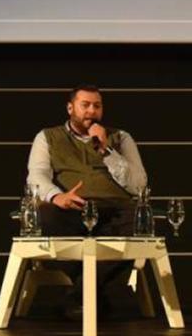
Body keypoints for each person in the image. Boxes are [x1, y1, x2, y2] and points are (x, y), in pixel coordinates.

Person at [25, 84, 149, 315]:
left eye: (97, 106)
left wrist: (106, 151)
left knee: (141, 222)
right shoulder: (47, 137)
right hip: (71, 209)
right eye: (85, 105)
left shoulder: (120, 137)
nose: (91, 111)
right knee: (45, 215)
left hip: (115, 210)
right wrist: (57, 196)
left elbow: (139, 184)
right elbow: (37, 175)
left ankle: (81, 294)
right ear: (70, 108)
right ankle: (95, 293)